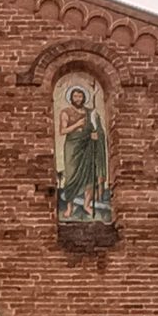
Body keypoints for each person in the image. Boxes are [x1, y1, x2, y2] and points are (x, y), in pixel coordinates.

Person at [57, 83, 110, 221]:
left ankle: (87, 205)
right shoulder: (66, 112)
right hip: (73, 147)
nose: (78, 98)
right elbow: (62, 131)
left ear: (84, 97)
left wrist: (96, 134)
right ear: (71, 98)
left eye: (80, 96)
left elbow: (98, 129)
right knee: (71, 176)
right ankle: (70, 207)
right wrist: (77, 125)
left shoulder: (91, 113)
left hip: (88, 146)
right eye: (75, 96)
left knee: (89, 176)